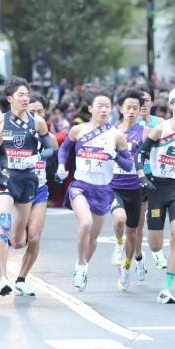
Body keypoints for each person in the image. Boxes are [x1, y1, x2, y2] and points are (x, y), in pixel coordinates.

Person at [56, 89, 133, 291]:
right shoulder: (78, 130)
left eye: (107, 106)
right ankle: (80, 266)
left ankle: (83, 267)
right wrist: (61, 166)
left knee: (93, 238)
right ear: (91, 108)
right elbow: (64, 149)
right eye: (99, 106)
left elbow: (128, 165)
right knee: (86, 223)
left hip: (103, 190)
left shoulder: (117, 135)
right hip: (80, 186)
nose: (104, 110)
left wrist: (115, 155)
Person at [0, 77, 54, 297]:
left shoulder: (37, 122)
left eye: (27, 94)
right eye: (21, 95)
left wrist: (35, 157)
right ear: (10, 98)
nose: (26, 98)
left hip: (29, 181)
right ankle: (2, 279)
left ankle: (20, 279)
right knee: (4, 225)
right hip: (6, 179)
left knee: (20, 240)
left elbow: (49, 149)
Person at [136, 86, 175, 304]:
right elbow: (140, 153)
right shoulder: (160, 129)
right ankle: (148, 254)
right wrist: (142, 176)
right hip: (156, 188)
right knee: (154, 244)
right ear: (171, 105)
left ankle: (166, 288)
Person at [18, 93, 58, 296]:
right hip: (17, 189)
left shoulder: (49, 139)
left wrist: (58, 173)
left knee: (34, 237)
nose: (35, 115)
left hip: (40, 190)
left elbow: (54, 166)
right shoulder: (15, 133)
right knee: (17, 240)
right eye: (31, 112)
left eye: (39, 112)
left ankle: (21, 279)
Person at [111, 89, 146, 291]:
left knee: (133, 234)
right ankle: (117, 243)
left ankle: (126, 268)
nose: (131, 112)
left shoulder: (145, 132)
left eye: (135, 108)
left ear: (141, 111)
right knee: (119, 219)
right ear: (121, 109)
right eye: (128, 108)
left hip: (135, 188)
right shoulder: (113, 132)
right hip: (115, 185)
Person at [138, 88, 163, 275]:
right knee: (138, 222)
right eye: (140, 101)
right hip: (137, 176)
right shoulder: (131, 125)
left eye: (146, 100)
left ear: (152, 103)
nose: (143, 104)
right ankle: (138, 257)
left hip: (156, 175)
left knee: (155, 217)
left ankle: (157, 251)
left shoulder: (160, 123)